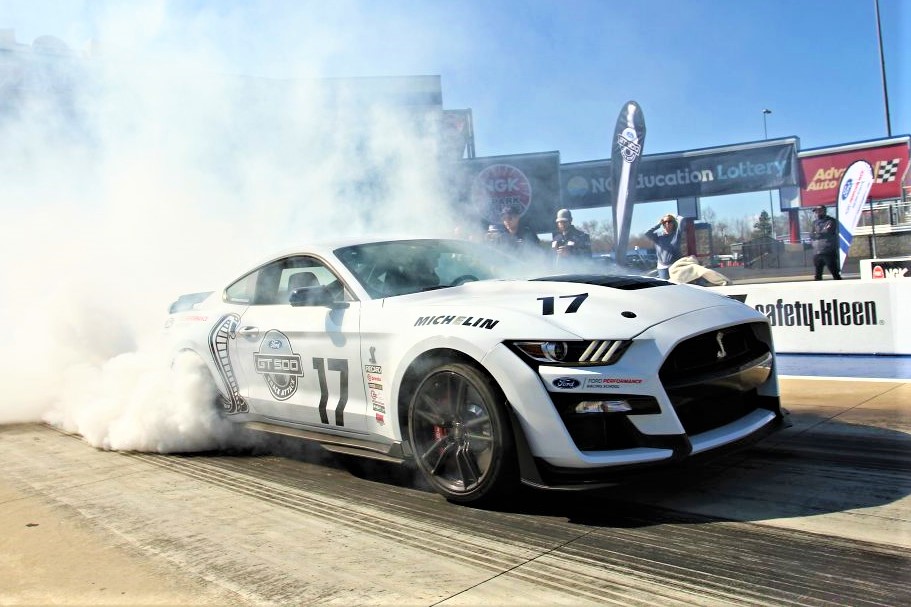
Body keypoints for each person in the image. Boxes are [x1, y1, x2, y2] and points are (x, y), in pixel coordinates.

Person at [645, 214, 687, 279]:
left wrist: (675, 216)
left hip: (675, 265)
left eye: (669, 221)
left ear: (673, 223)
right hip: (662, 267)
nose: (667, 223)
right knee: (665, 286)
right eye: (664, 222)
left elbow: (682, 220)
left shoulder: (676, 234)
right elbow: (647, 233)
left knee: (677, 285)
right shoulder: (658, 236)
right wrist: (658, 224)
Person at [811, 204, 841, 280]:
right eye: (816, 211)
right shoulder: (814, 223)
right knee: (818, 275)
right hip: (817, 251)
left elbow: (827, 232)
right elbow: (811, 234)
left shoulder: (831, 221)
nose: (818, 213)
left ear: (824, 211)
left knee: (835, 272)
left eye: (819, 211)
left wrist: (817, 233)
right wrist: (817, 234)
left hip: (828, 250)